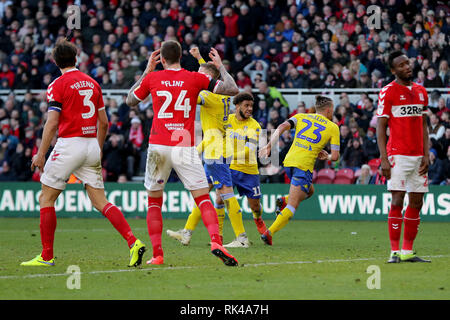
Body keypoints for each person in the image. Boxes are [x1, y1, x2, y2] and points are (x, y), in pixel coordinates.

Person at [21, 39, 146, 267]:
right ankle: (133, 242)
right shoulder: (93, 83)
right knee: (101, 202)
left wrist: (40, 154)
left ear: (55, 61)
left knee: (46, 198)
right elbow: (104, 123)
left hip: (69, 144)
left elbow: (51, 124)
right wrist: (96, 148)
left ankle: (46, 256)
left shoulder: (57, 85)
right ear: (76, 58)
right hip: (90, 145)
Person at [125, 40, 239, 266]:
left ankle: (157, 255)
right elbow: (232, 89)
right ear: (181, 58)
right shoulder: (195, 78)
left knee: (154, 201)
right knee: (203, 197)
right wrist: (220, 66)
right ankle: (216, 242)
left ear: (162, 59)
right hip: (184, 145)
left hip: (159, 145)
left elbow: (130, 100)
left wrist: (148, 70)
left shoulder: (153, 78)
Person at [166, 48, 251, 248]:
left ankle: (242, 238)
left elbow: (197, 88)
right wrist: (200, 59)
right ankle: (187, 232)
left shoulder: (207, 96)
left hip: (215, 151)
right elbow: (208, 75)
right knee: (204, 193)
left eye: (200, 75)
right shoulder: (221, 93)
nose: (197, 77)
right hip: (215, 147)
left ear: (208, 79)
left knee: (226, 193)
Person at [168, 91, 267, 248]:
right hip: (225, 164)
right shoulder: (228, 121)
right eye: (246, 105)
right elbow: (212, 138)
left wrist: (228, 154)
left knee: (254, 205)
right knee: (210, 195)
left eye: (251, 106)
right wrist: (195, 152)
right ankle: (194, 233)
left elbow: (249, 150)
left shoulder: (254, 125)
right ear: (237, 106)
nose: (249, 109)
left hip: (247, 170)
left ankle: (256, 220)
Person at [259, 96, 340, 245]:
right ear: (328, 110)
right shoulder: (333, 127)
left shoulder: (301, 116)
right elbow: (335, 157)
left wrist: (270, 145)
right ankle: (268, 233)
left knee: (310, 191)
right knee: (292, 206)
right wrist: (326, 156)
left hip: (289, 162)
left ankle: (283, 199)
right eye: (332, 110)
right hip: (303, 166)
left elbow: (282, 126)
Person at [376, 50, 431, 263]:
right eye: (401, 65)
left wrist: (426, 154)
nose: (407, 67)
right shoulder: (388, 91)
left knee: (417, 202)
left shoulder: (421, 91)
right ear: (393, 70)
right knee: (397, 199)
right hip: (397, 154)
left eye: (407, 63)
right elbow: (381, 127)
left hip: (418, 156)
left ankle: (408, 251)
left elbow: (423, 125)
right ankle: (394, 251)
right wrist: (383, 158)